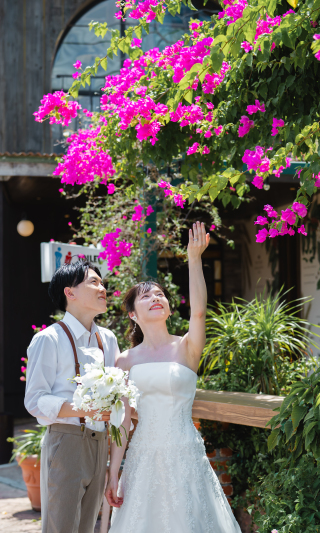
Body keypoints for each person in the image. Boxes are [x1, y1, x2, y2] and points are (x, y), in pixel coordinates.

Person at [106, 221, 241, 533]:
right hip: (143, 459)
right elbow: (122, 422)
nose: (156, 298)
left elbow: (199, 312)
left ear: (167, 307)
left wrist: (194, 258)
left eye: (160, 295)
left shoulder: (187, 347)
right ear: (132, 314)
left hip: (185, 453)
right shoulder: (124, 360)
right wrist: (114, 473)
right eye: (146, 296)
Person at [24, 261, 121, 533]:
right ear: (70, 292)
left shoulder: (108, 339)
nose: (102, 288)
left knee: (87, 526)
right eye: (93, 282)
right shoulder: (49, 339)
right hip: (66, 441)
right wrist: (83, 409)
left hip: (100, 441)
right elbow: (35, 400)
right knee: (62, 527)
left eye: (102, 283)